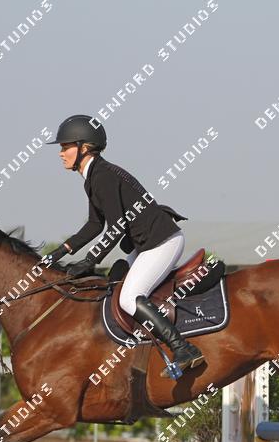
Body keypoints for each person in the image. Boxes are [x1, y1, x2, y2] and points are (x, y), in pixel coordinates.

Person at [46, 115, 203, 377]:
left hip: (162, 243)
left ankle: (183, 348)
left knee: (129, 298)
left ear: (84, 147)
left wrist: (91, 260)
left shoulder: (103, 176)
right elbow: (95, 225)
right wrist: (59, 252)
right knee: (115, 283)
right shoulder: (93, 177)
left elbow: (117, 226)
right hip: (146, 245)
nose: (61, 153)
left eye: (65, 146)